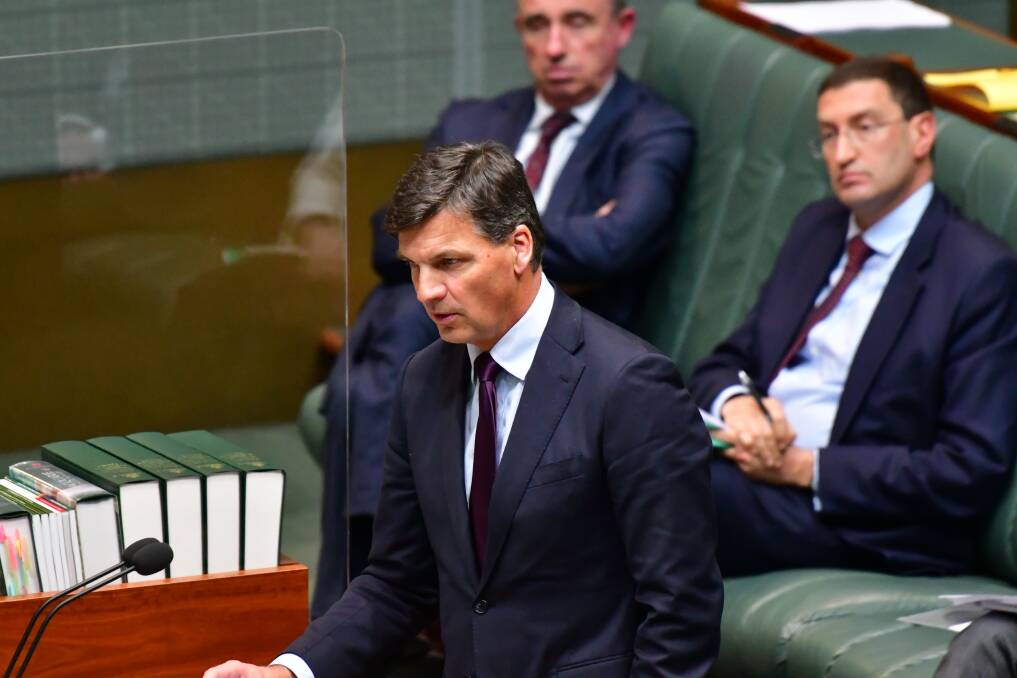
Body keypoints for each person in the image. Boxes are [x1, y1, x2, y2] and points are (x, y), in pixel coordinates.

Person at [204, 142, 721, 678]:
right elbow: (397, 581)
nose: (427, 292)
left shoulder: (630, 385)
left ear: (520, 247)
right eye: (415, 267)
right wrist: (290, 671)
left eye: (450, 262)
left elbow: (681, 613)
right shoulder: (423, 379)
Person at [315, 0, 695, 616]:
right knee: (390, 343)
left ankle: (364, 587)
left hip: (561, 341)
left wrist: (483, 240)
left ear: (622, 28)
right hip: (437, 344)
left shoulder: (652, 129)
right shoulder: (473, 117)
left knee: (382, 356)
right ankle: (381, 589)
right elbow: (392, 238)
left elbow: (618, 242)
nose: (554, 46)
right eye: (536, 25)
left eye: (577, 22)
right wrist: (465, 253)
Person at [690, 56, 1017, 576]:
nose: (842, 153)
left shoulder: (977, 271)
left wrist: (805, 469)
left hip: (857, 520)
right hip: (747, 468)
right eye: (828, 134)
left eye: (865, 128)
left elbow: (967, 469)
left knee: (657, 486)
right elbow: (726, 361)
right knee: (605, 441)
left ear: (922, 133)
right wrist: (739, 410)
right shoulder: (818, 229)